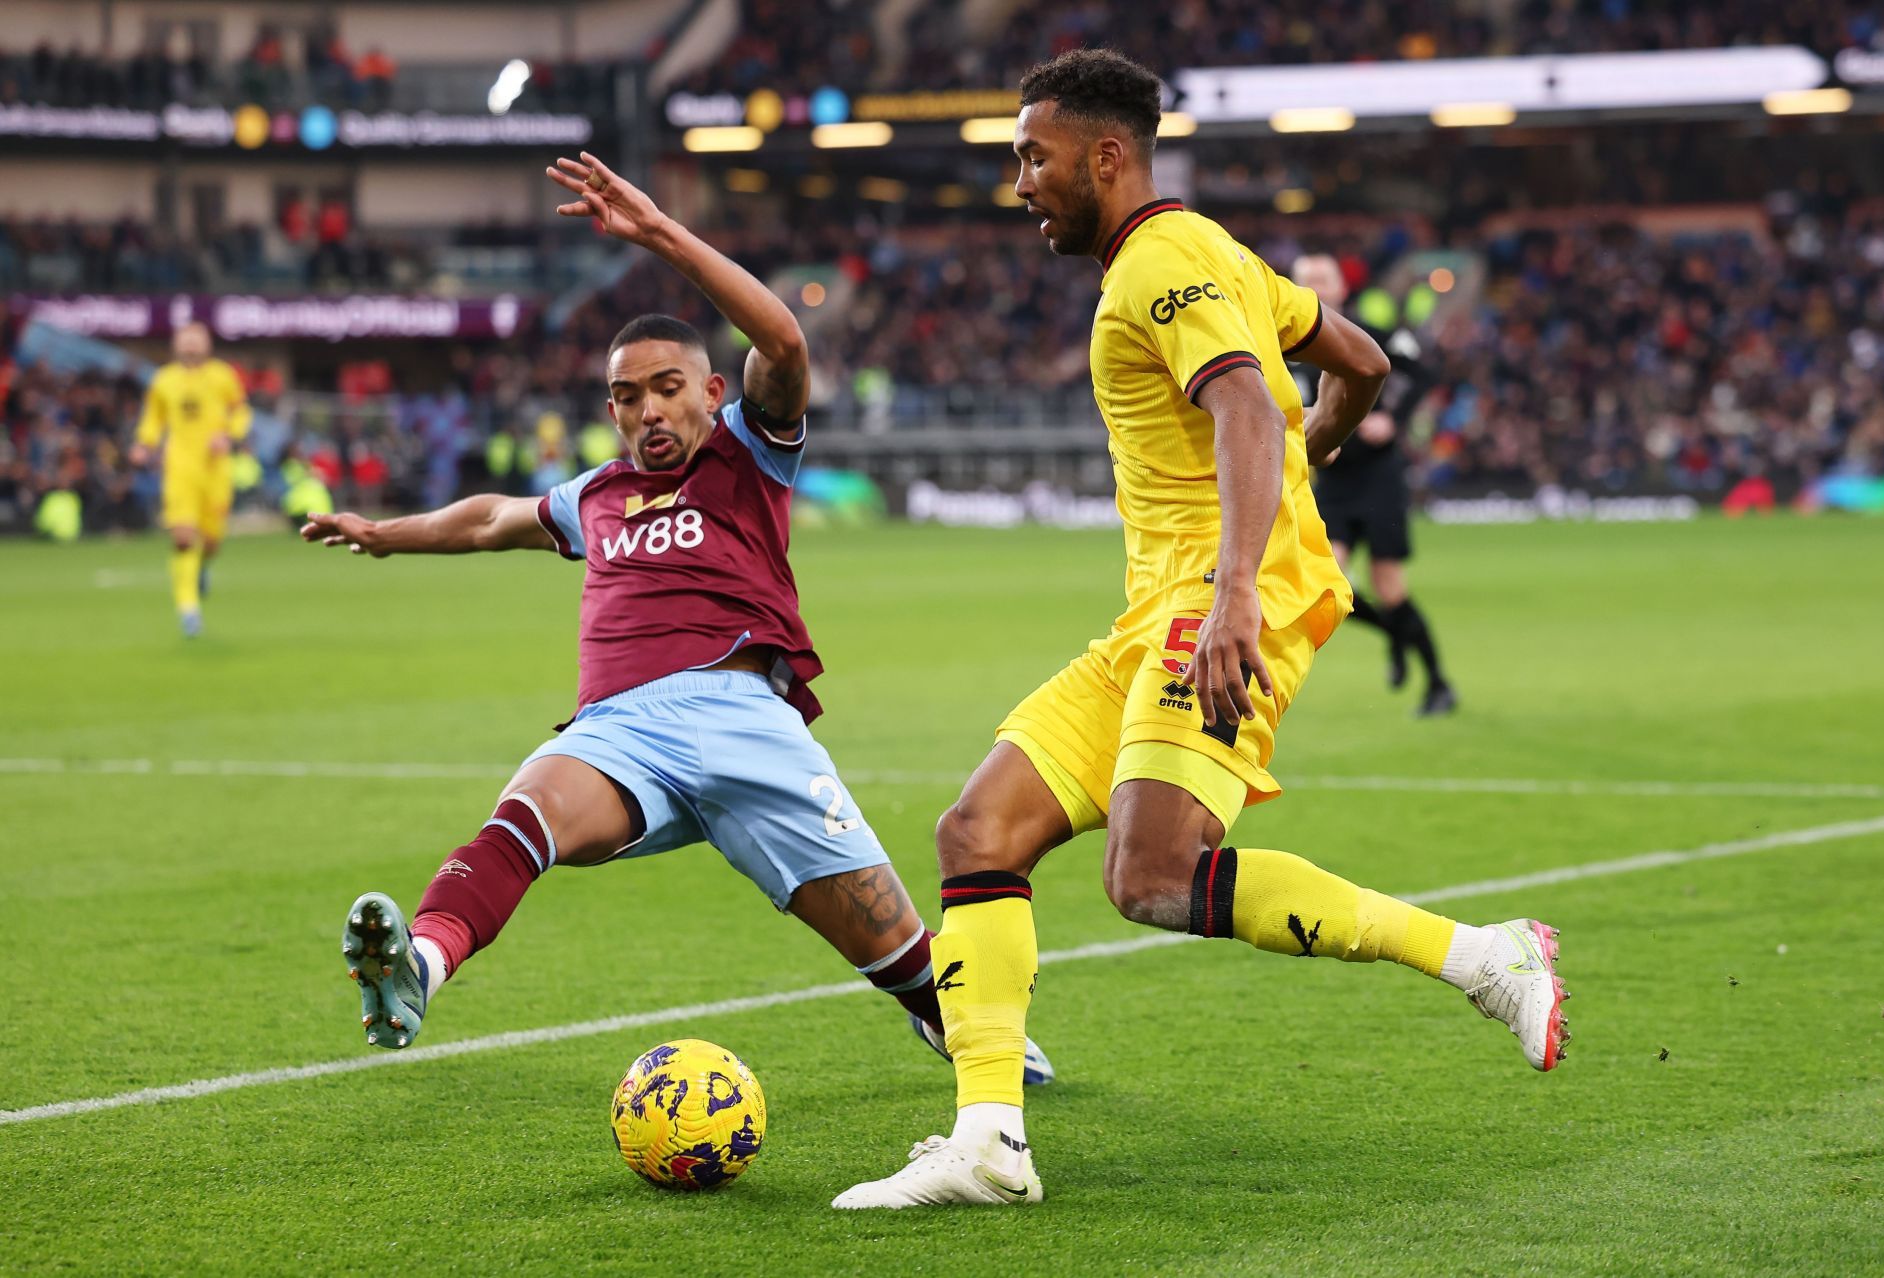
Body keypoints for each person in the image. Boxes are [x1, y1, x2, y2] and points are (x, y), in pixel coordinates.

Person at [835, 50, 1568, 1211]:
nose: (1020, 181)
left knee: (1155, 875)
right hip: (1156, 615)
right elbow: (1363, 363)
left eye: (1036, 155)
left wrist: (1238, 586)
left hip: (1214, 607)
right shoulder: (1214, 248)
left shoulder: (1163, 266)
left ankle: (1485, 958)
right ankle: (987, 1141)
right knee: (979, 833)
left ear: (1107, 156)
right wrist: (1308, 457)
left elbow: (1237, 399)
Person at [301, 151, 1051, 1091]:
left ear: (709, 393)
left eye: (665, 387)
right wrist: (384, 535)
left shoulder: (748, 454)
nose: (646, 410)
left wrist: (657, 232)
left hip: (745, 718)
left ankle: (956, 1024)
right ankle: (420, 965)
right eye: (626, 395)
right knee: (521, 819)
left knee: (900, 953)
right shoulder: (598, 495)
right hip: (619, 731)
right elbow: (491, 517)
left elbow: (783, 342)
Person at [1290, 254, 1456, 715]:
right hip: (1334, 481)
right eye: (1307, 282)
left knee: (1389, 586)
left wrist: (1392, 418)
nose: (1317, 288)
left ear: (1342, 288)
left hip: (1380, 476)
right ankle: (1392, 634)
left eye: (1324, 279)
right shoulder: (1285, 348)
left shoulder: (1369, 336)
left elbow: (1423, 373)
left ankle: (1438, 682)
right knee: (1328, 585)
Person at [130, 322, 251, 637]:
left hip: (216, 470)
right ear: (176, 344)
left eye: (197, 340)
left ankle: (202, 568)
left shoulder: (222, 375)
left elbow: (240, 412)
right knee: (183, 538)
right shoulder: (164, 379)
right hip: (180, 467)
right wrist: (145, 444)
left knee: (211, 541)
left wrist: (229, 436)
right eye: (186, 340)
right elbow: (153, 418)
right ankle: (188, 610)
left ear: (207, 344)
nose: (191, 346)